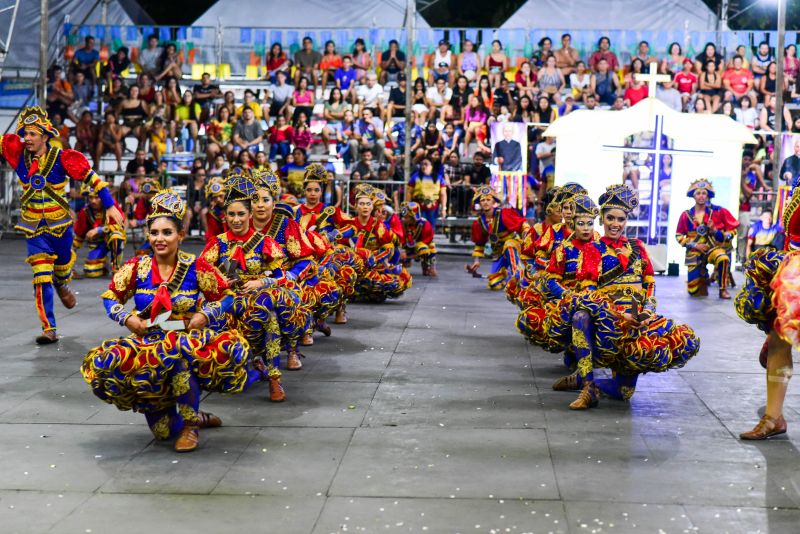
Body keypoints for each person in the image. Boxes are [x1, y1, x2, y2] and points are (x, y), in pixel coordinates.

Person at [82, 190, 263, 451]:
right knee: (162, 432)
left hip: (184, 340)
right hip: (148, 343)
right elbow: (111, 296)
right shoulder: (138, 267)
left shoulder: (196, 266)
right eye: (154, 233)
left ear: (181, 235)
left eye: (167, 232)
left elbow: (227, 296)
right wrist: (127, 319)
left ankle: (191, 427)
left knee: (179, 362)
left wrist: (204, 314)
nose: (160, 239)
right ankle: (195, 418)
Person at [545, 185, 699, 409]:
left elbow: (649, 283)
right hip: (606, 317)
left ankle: (588, 382)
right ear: (602, 220)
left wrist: (647, 311)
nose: (615, 224)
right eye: (610, 218)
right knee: (580, 317)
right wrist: (617, 314)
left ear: (627, 220)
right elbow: (589, 292)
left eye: (621, 219)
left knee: (623, 392)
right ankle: (588, 386)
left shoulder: (637, 247)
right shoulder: (592, 249)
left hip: (637, 317)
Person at [2, 107, 123, 343]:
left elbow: (93, 179)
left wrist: (110, 206)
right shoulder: (18, 155)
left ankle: (61, 282)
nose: (27, 138)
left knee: (62, 270)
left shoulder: (62, 158)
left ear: (45, 136)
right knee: (40, 276)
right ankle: (49, 328)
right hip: (34, 228)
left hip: (61, 228)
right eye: (25, 133)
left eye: (32, 134)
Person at [675, 179, 739, 299]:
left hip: (712, 248)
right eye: (698, 193)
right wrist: (694, 245)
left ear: (708, 195)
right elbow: (678, 235)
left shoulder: (716, 212)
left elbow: (727, 233)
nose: (701, 196)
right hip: (694, 252)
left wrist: (714, 230)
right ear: (693, 196)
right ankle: (702, 276)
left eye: (704, 193)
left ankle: (722, 290)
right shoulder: (686, 215)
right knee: (694, 292)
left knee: (723, 258)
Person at [467, 185, 530, 291]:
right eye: (483, 200)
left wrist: (527, 236)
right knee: (494, 284)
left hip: (513, 247)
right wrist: (476, 261)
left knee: (509, 246)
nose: (486, 202)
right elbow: (479, 244)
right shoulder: (479, 222)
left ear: (493, 201)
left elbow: (522, 224)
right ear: (479, 203)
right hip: (498, 252)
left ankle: (517, 275)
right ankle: (507, 276)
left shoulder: (504, 213)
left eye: (488, 199)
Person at [72, 183, 126, 278]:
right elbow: (79, 235)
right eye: (91, 198)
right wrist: (71, 253)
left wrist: (99, 229)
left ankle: (116, 267)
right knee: (91, 271)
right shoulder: (85, 211)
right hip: (97, 243)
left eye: (97, 198)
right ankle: (104, 263)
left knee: (116, 236)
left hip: (113, 238)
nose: (93, 201)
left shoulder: (112, 207)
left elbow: (120, 225)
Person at [399, 201, 437, 276]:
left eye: (407, 217)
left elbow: (428, 239)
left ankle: (428, 267)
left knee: (430, 247)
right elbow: (400, 238)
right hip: (406, 246)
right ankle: (401, 267)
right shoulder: (401, 224)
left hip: (420, 245)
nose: (405, 219)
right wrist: (401, 250)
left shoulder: (424, 224)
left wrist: (418, 250)